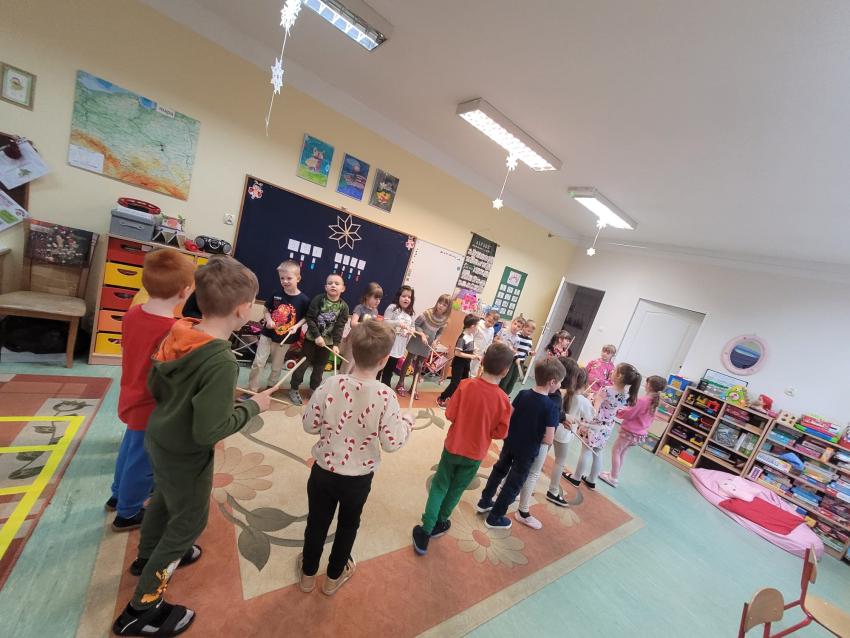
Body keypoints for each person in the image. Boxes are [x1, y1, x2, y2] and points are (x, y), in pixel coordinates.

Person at [112, 256, 275, 637]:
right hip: (186, 452)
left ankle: (145, 557)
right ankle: (142, 609)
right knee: (189, 522)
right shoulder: (222, 361)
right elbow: (210, 431)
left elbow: (157, 384)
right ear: (243, 309)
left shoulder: (179, 329)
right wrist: (253, 406)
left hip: (158, 436)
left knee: (164, 500)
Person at [297, 321, 414, 595]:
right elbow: (392, 443)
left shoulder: (330, 384)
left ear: (352, 351)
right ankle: (333, 578)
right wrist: (407, 423)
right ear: (385, 360)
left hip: (323, 472)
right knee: (348, 525)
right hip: (358, 479)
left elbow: (309, 425)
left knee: (317, 522)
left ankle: (307, 575)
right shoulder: (387, 396)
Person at [107, 249, 195, 532]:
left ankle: (118, 495)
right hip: (151, 404)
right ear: (184, 292)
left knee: (129, 449)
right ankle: (128, 513)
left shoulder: (133, 313)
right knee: (143, 461)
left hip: (130, 392)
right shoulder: (174, 330)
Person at [412, 342, 514, 555]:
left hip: (453, 447)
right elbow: (500, 433)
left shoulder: (465, 385)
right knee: (457, 488)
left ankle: (426, 530)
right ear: (505, 371)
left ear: (482, 361)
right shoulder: (504, 401)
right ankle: (441, 521)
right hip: (475, 454)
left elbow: (450, 414)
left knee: (440, 485)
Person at [476, 357, 565, 529]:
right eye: (560, 382)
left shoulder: (523, 393)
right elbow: (548, 439)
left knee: (499, 469)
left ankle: (485, 501)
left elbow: (509, 416)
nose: (560, 386)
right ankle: (495, 517)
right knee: (514, 483)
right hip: (528, 450)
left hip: (510, 442)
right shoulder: (551, 407)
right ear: (552, 382)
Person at [566, 362, 641, 490]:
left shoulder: (606, 390)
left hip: (594, 425)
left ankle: (576, 477)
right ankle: (591, 480)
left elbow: (594, 412)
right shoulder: (627, 395)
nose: (612, 372)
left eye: (615, 370)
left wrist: (589, 399)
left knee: (586, 451)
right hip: (607, 428)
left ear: (619, 376)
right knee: (598, 452)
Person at [247, 260, 310, 392]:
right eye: (282, 278)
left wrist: (296, 326)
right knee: (258, 362)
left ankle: (271, 387)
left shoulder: (304, 299)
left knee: (276, 366)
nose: (285, 281)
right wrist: (269, 319)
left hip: (285, 339)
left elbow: (306, 317)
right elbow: (266, 310)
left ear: (298, 278)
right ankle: (252, 389)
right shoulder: (276, 294)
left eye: (289, 278)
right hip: (267, 334)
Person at [288, 273, 349, 405]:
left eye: (337, 283)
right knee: (303, 364)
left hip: (328, 343)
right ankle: (293, 388)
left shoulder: (344, 307)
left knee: (319, 368)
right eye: (330, 283)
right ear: (326, 287)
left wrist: (336, 344)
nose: (333, 285)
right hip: (311, 339)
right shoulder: (318, 299)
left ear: (343, 288)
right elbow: (310, 318)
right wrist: (317, 336)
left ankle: (314, 389)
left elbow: (339, 327)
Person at [600, 375, 666, 487]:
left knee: (616, 451)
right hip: (639, 434)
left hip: (629, 432)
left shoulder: (643, 400)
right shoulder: (654, 402)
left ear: (650, 386)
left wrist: (619, 412)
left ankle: (613, 478)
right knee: (622, 453)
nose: (645, 384)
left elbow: (630, 413)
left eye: (647, 383)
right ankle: (613, 474)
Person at [546, 364, 594, 506]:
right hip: (564, 435)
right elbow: (591, 417)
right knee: (560, 462)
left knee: (540, 455)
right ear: (585, 384)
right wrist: (595, 401)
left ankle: (530, 477)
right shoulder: (583, 401)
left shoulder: (561, 391)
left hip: (551, 428)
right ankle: (553, 491)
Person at [396, 293, 451, 398]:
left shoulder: (445, 320)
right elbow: (416, 325)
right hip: (417, 339)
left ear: (448, 308)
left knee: (420, 365)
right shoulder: (427, 313)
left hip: (427, 344)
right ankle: (400, 384)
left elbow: (440, 333)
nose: (441, 306)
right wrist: (422, 334)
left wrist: (435, 341)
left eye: (444, 305)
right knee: (408, 361)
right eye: (440, 303)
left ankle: (413, 387)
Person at [436, 314, 481, 408]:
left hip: (466, 363)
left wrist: (475, 351)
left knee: (464, 382)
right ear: (472, 326)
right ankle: (442, 398)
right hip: (459, 364)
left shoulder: (471, 335)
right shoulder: (462, 337)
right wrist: (472, 356)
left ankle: (455, 400)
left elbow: (468, 348)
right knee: (455, 383)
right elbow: (457, 353)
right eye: (477, 325)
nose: (478, 327)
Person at [340, 282, 382, 373]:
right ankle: (342, 378)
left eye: (379, 299)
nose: (378, 301)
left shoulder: (375, 311)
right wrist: (366, 324)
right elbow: (353, 323)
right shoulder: (359, 308)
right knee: (348, 363)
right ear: (367, 296)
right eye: (375, 298)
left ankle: (352, 380)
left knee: (357, 365)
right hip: (354, 340)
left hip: (365, 341)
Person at [379, 285, 415, 387]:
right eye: (404, 296)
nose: (406, 299)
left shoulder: (411, 313)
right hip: (387, 345)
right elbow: (385, 322)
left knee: (389, 370)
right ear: (398, 297)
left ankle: (385, 387)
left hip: (399, 347)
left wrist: (412, 330)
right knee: (379, 368)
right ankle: (375, 386)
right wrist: (398, 323)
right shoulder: (392, 308)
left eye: (409, 297)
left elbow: (412, 326)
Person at [499, 318, 536, 396]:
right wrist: (516, 357)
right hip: (512, 360)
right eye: (528, 331)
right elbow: (513, 348)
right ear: (523, 328)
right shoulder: (517, 336)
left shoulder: (530, 340)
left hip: (520, 362)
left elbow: (525, 351)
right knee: (506, 378)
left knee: (513, 380)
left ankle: (506, 395)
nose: (529, 333)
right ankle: (500, 393)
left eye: (531, 332)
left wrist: (530, 353)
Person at [470, 309, 499, 376]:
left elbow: (489, 342)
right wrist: (473, 349)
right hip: (472, 351)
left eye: (493, 323)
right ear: (485, 317)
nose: (490, 324)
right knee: (467, 368)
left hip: (480, 354)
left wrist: (486, 352)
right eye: (489, 321)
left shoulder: (492, 330)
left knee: (474, 371)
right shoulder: (478, 325)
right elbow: (471, 337)